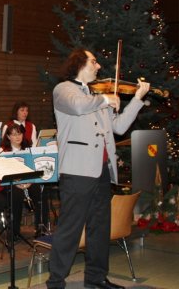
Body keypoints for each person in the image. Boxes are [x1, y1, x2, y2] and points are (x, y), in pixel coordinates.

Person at [46, 48, 150, 289]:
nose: (99, 66)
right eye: (94, 61)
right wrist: (105, 99)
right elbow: (78, 106)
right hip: (77, 171)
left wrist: (136, 99)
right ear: (80, 63)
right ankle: (56, 282)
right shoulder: (63, 90)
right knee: (70, 229)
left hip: (102, 170)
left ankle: (96, 277)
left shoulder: (97, 95)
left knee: (100, 227)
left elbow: (119, 127)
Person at [0, 123, 45, 238]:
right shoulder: (2, 151)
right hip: (8, 184)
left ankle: (40, 228)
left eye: (19, 134)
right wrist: (17, 183)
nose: (17, 137)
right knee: (16, 194)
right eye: (13, 135)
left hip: (27, 182)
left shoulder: (28, 149)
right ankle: (14, 231)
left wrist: (29, 182)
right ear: (8, 137)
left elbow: (33, 168)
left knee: (40, 191)